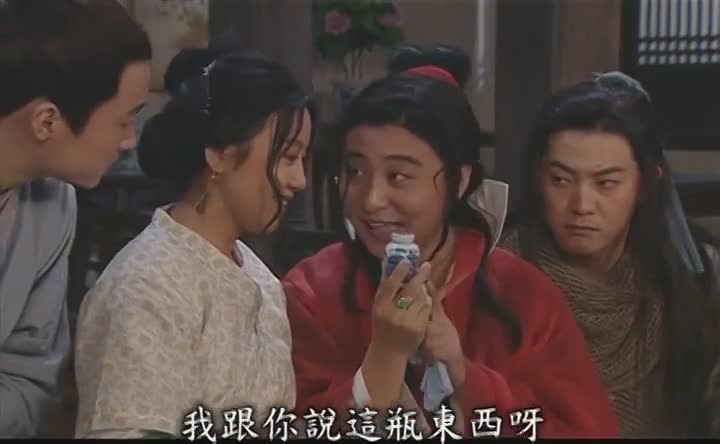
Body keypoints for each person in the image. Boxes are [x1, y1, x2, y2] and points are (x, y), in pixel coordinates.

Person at [283, 45, 619, 439]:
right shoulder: (311, 291)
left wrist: (463, 373)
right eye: (355, 171)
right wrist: (385, 357)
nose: (371, 199)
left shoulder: (523, 294)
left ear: (459, 180)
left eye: (398, 177)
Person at [73, 50, 313, 439]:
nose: (299, 179)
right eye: (288, 157)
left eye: (302, 159)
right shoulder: (146, 286)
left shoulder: (262, 280)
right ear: (219, 154)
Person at [499, 71, 720, 437]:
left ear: (646, 183)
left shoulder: (693, 274)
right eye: (561, 180)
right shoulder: (495, 275)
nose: (582, 205)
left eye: (606, 184)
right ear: (538, 179)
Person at [0, 0, 151, 436]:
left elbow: (30, 380)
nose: (129, 141)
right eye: (123, 120)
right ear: (46, 120)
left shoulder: (53, 205)